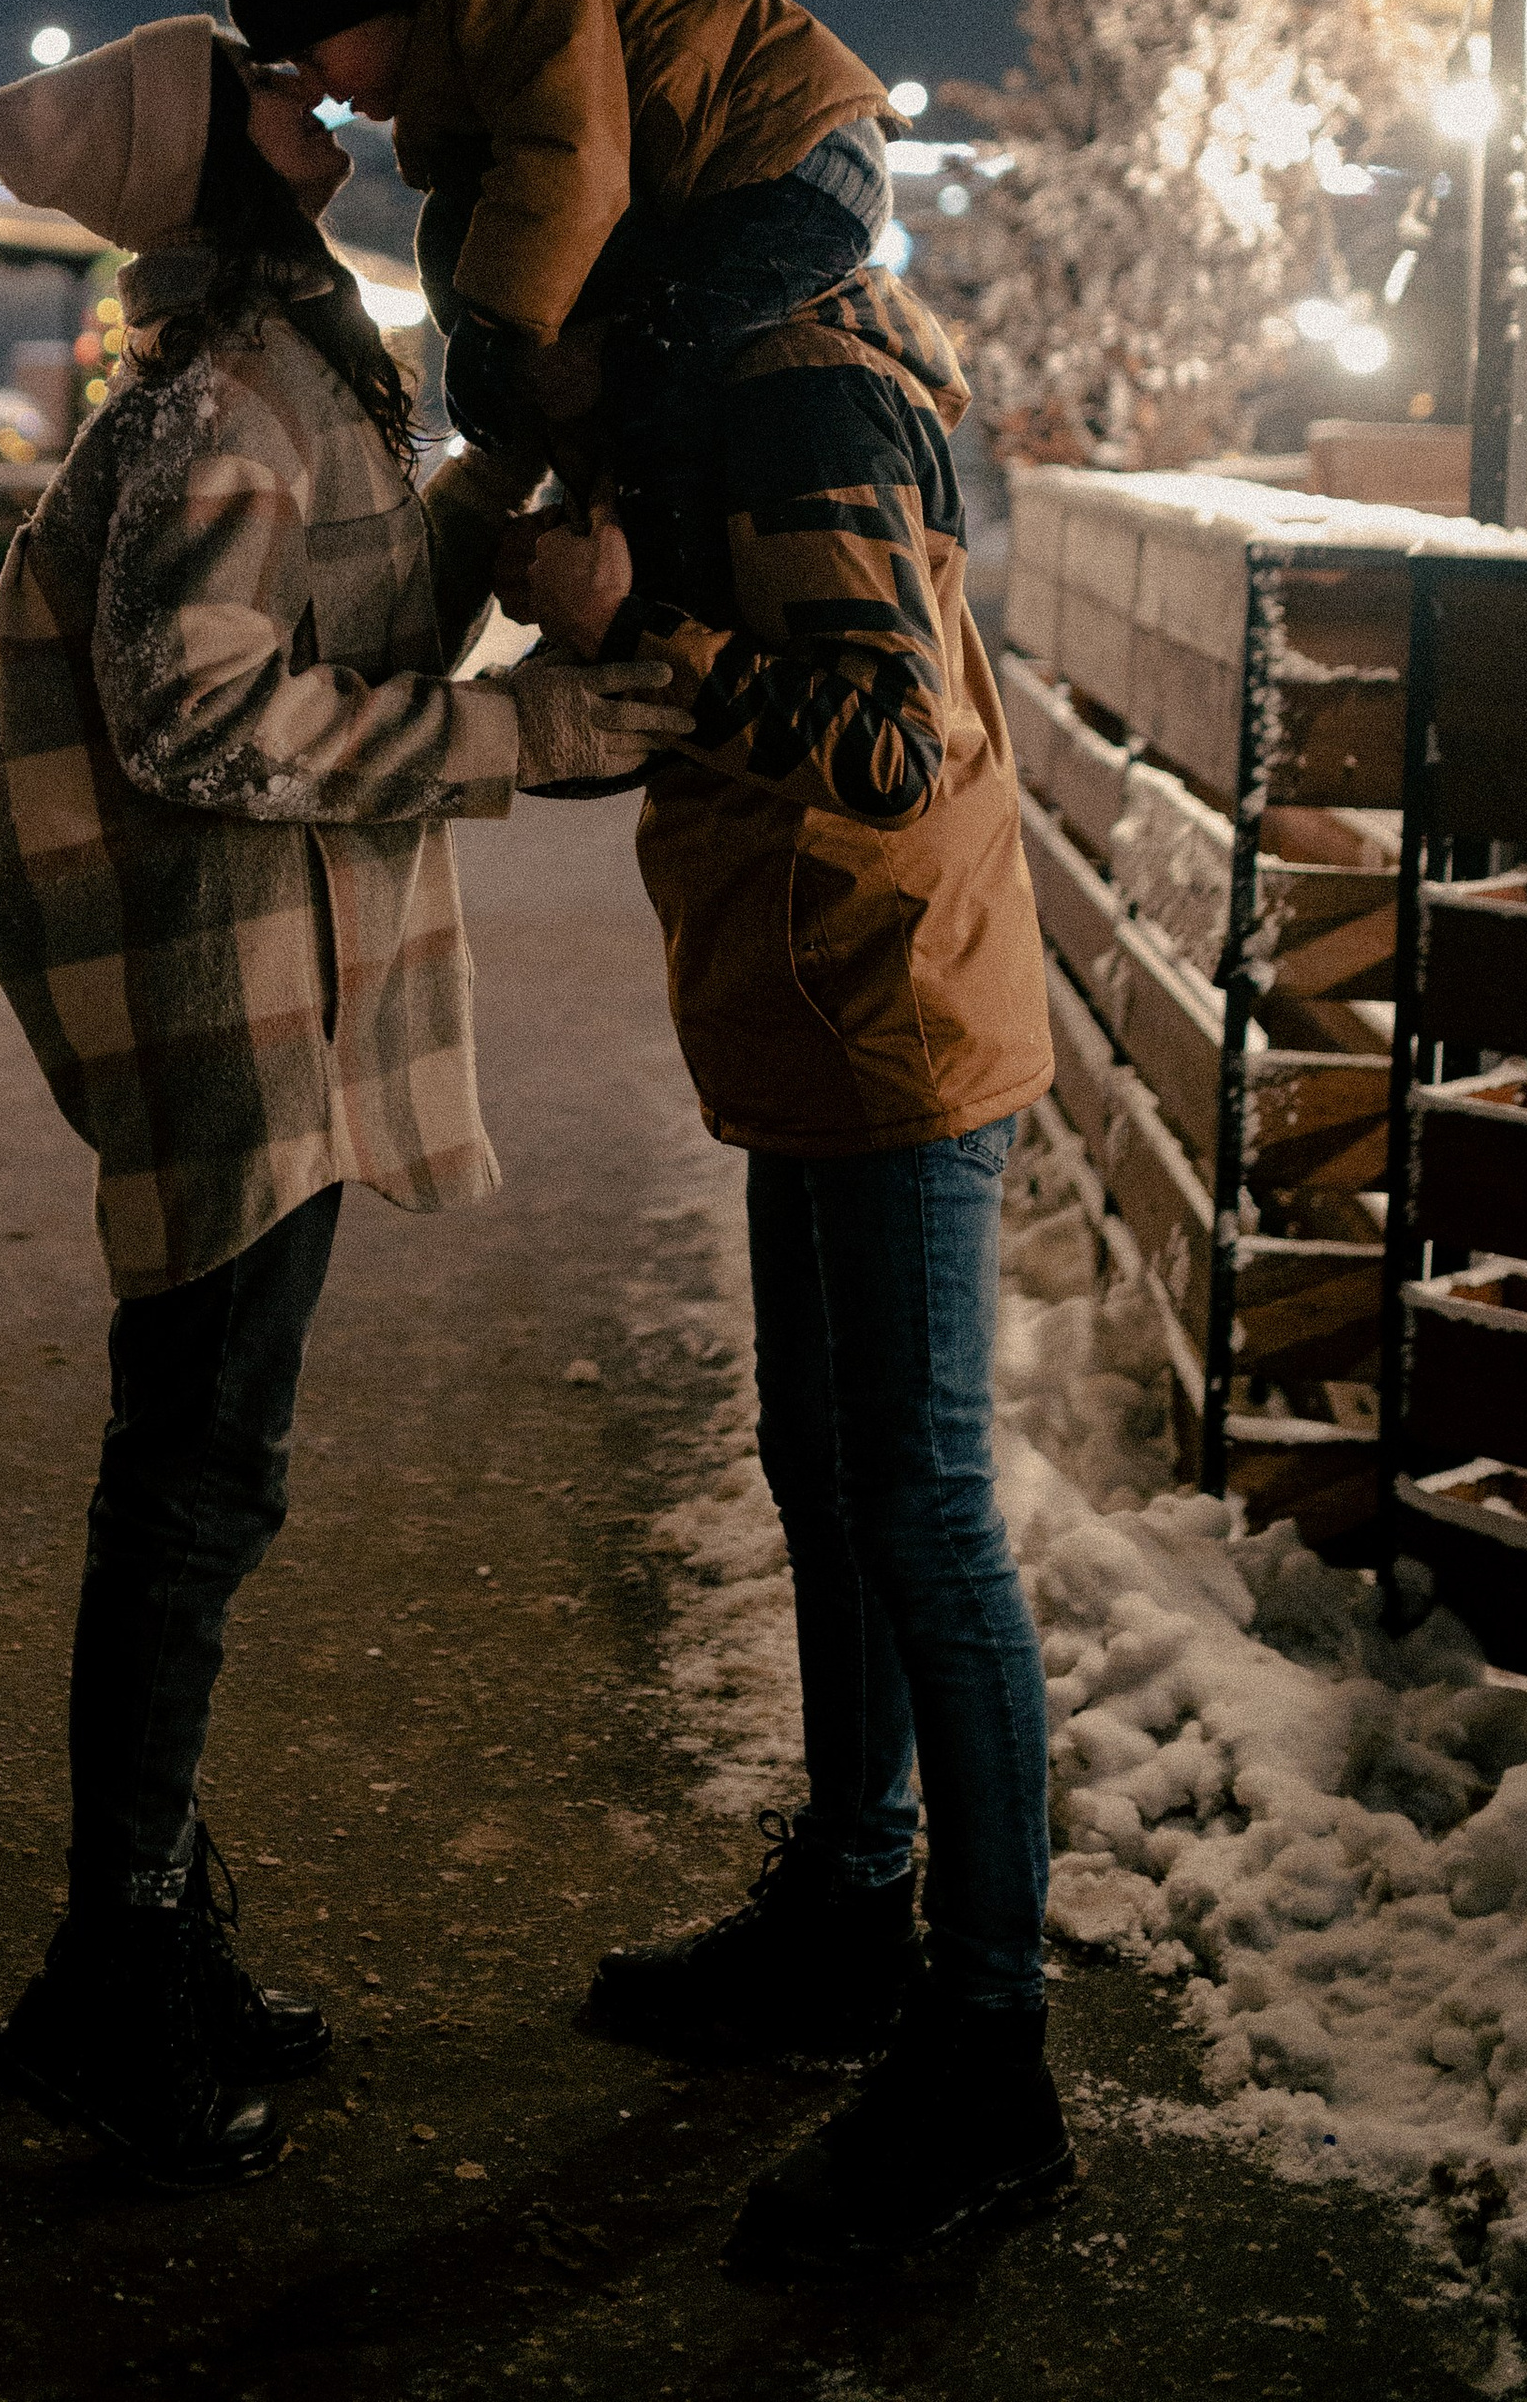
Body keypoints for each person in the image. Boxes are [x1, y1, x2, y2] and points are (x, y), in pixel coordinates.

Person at [0, 13, 691, 2192]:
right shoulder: (220, 399)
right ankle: (109, 1981)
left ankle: (143, 1935)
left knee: (206, 1476)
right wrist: (529, 740)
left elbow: (357, 603)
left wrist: (490, 500)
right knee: (186, 1488)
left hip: (270, 1002)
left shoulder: (287, 373)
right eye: (281, 95)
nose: (331, 108)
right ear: (221, 159)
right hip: (229, 1010)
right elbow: (201, 716)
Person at [500, 235, 1068, 2274]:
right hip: (808, 1007)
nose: (522, 402)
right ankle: (847, 1905)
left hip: (893, 1014)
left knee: (919, 1509)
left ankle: (988, 2059)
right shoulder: (716, 399)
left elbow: (878, 743)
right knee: (822, 1476)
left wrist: (633, 613)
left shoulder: (798, 396)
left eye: (519, 352)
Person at [224, 0, 897, 613]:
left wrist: (497, 329)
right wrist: (498, 351)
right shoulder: (461, 56)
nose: (315, 85)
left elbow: (570, 155)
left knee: (655, 350)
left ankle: (660, 600)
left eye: (309, 49)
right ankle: (605, 531)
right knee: (512, 288)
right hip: (713, 170)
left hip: (793, 157)